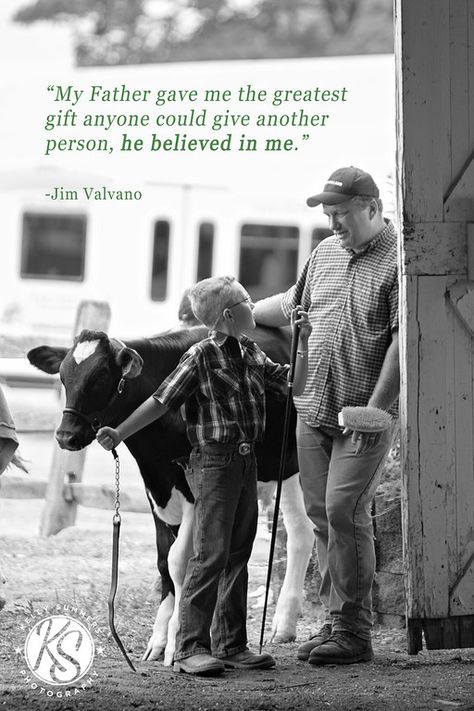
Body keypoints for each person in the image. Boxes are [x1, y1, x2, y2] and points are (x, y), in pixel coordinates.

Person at [96, 275, 311, 676]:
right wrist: (120, 431)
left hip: (247, 462)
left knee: (238, 552)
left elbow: (291, 384)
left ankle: (231, 643)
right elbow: (161, 401)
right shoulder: (198, 357)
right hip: (214, 462)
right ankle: (190, 646)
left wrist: (305, 341)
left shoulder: (249, 351)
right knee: (210, 553)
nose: (255, 306)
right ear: (230, 315)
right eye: (249, 301)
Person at [253, 166, 399, 666]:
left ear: (373, 208)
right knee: (320, 518)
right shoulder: (324, 255)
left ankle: (355, 633)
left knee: (344, 510)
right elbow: (292, 306)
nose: (334, 223)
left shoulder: (397, 261)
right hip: (312, 407)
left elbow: (402, 341)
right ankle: (336, 621)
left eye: (342, 213)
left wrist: (374, 413)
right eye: (329, 214)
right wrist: (237, 311)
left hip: (363, 413)